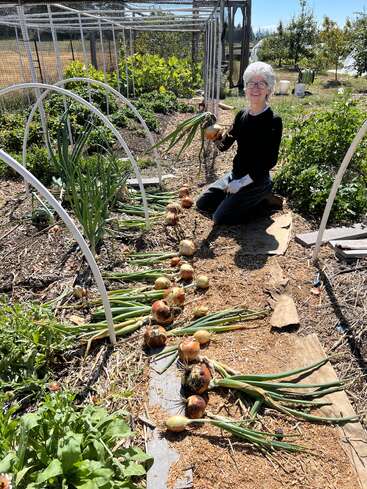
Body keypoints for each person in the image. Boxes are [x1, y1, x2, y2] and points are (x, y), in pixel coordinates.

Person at [196, 61, 283, 225]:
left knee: (219, 218)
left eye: (261, 83)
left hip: (256, 180)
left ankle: (263, 198)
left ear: (269, 89)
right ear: (246, 88)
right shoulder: (242, 115)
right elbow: (224, 146)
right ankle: (239, 200)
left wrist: (242, 183)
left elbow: (270, 161)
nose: (255, 88)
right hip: (235, 175)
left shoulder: (273, 120)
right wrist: (213, 135)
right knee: (202, 203)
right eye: (251, 83)